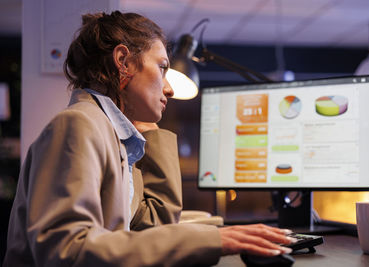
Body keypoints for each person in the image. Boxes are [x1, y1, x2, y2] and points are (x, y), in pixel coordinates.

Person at [3, 11, 295, 267]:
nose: (168, 88)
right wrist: (211, 240)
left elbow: (152, 223)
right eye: (162, 68)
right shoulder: (78, 125)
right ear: (123, 61)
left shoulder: (110, 134)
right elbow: (66, 252)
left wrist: (147, 129)